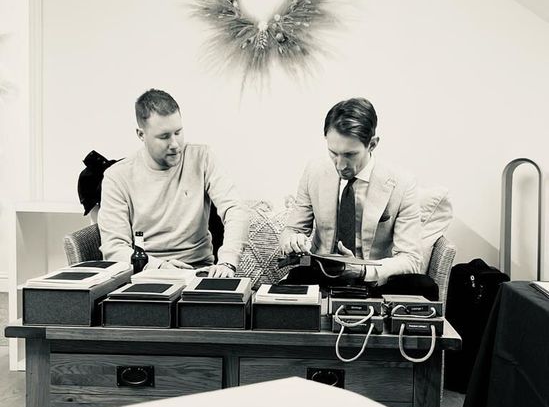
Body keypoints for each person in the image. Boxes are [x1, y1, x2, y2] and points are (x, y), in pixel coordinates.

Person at [98, 89, 249, 277]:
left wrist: (227, 261)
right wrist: (159, 267)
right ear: (141, 134)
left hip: (198, 270)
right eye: (164, 136)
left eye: (178, 132)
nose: (175, 144)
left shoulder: (202, 157)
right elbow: (114, 248)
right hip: (145, 274)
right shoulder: (117, 177)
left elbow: (236, 209)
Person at [280, 97, 422, 288]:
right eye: (333, 152)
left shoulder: (402, 183)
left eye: (350, 155)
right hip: (322, 274)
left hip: (373, 277)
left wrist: (363, 271)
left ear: (372, 144)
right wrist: (292, 241)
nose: (340, 165)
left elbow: (411, 259)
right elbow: (293, 230)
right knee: (285, 291)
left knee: (424, 286)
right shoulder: (314, 171)